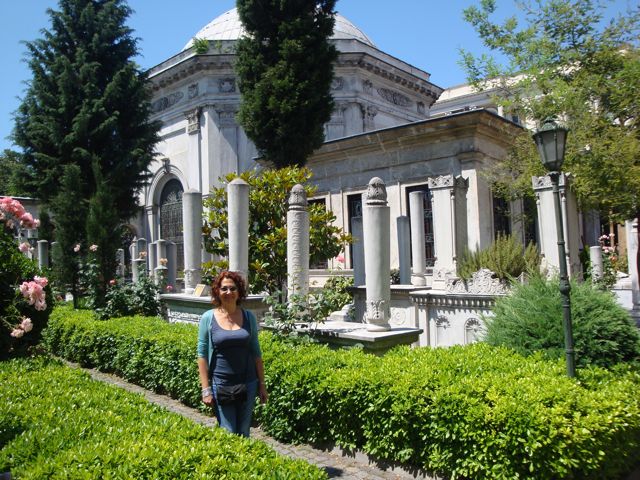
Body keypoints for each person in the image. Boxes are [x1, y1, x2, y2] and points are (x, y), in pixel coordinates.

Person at [197, 271, 268, 436]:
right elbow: (201, 355)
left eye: (232, 288)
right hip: (221, 383)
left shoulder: (248, 317)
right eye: (224, 289)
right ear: (217, 292)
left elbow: (256, 352)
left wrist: (262, 385)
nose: (228, 292)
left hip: (248, 383)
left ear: (239, 291)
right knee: (228, 432)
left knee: (244, 431)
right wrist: (205, 389)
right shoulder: (208, 318)